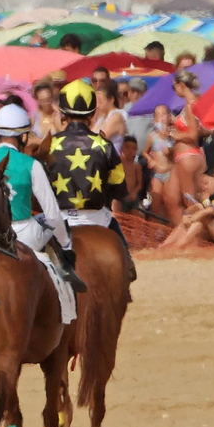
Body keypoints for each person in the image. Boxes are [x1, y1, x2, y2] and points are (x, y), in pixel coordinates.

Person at [0, 104, 85, 292]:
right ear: (23, 137)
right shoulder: (31, 164)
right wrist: (66, 245)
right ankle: (64, 275)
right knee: (55, 221)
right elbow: (52, 214)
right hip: (25, 235)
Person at [46, 80, 136, 281]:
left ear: (62, 114)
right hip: (97, 218)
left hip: (59, 220)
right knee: (116, 233)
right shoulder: (104, 145)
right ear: (92, 112)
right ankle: (129, 264)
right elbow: (119, 187)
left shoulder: (50, 145)